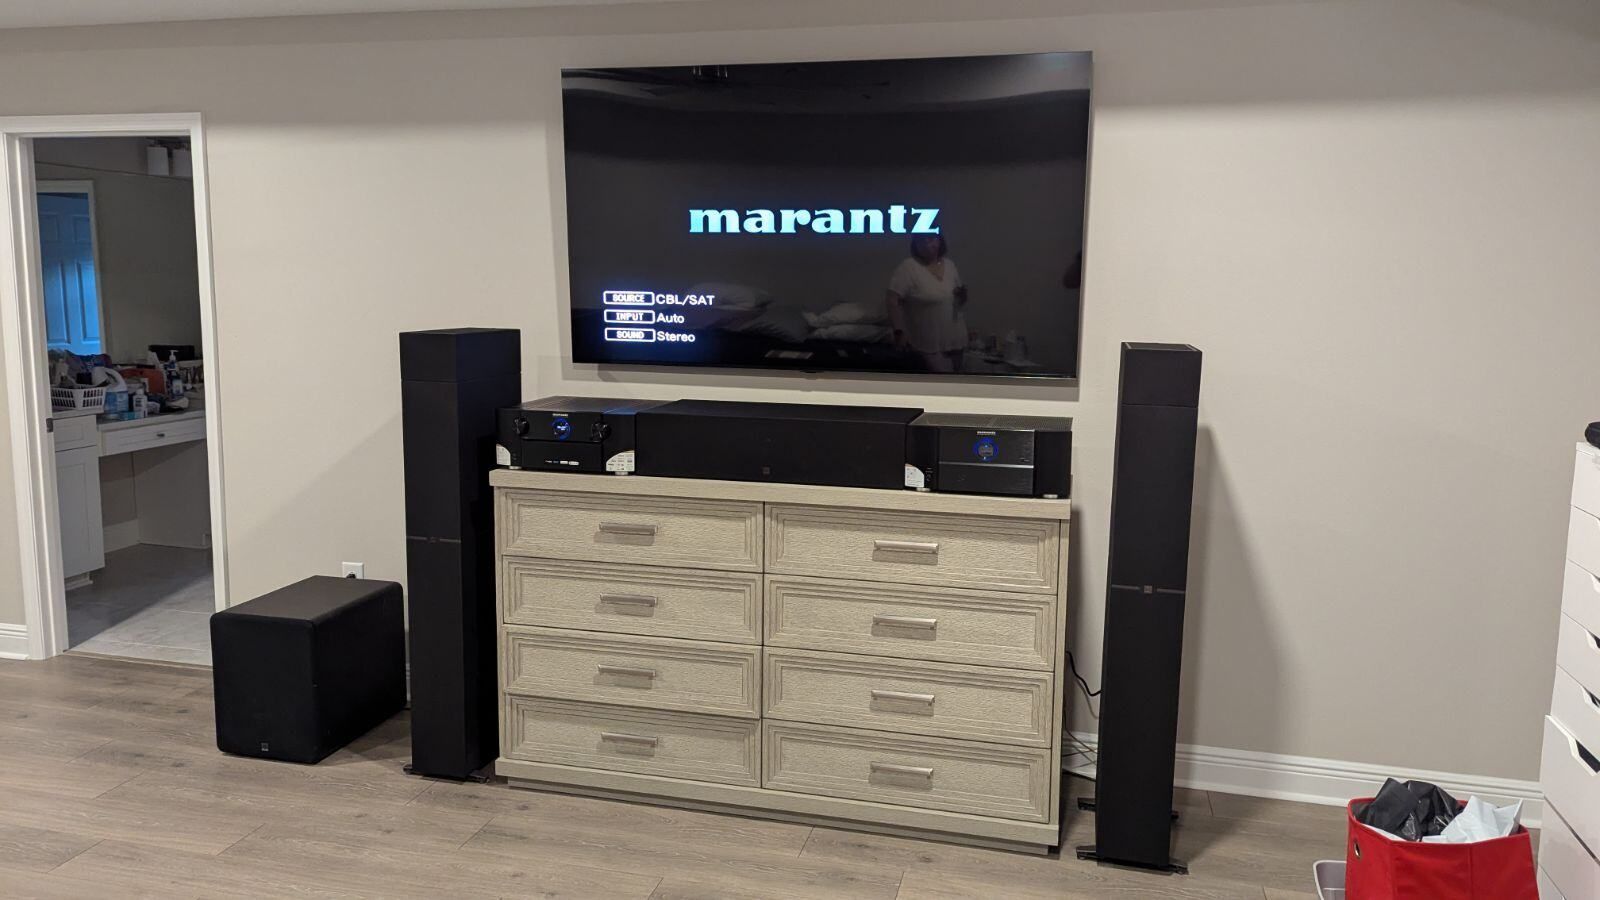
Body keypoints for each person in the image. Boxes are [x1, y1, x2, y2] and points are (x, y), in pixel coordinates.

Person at [886, 234, 967, 373]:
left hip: (955, 337)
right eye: (921, 240)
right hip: (926, 341)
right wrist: (899, 331)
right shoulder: (909, 267)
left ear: (940, 241)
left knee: (957, 383)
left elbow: (958, 298)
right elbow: (892, 300)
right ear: (915, 244)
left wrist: (963, 295)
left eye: (931, 239)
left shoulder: (949, 264)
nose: (927, 244)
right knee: (942, 384)